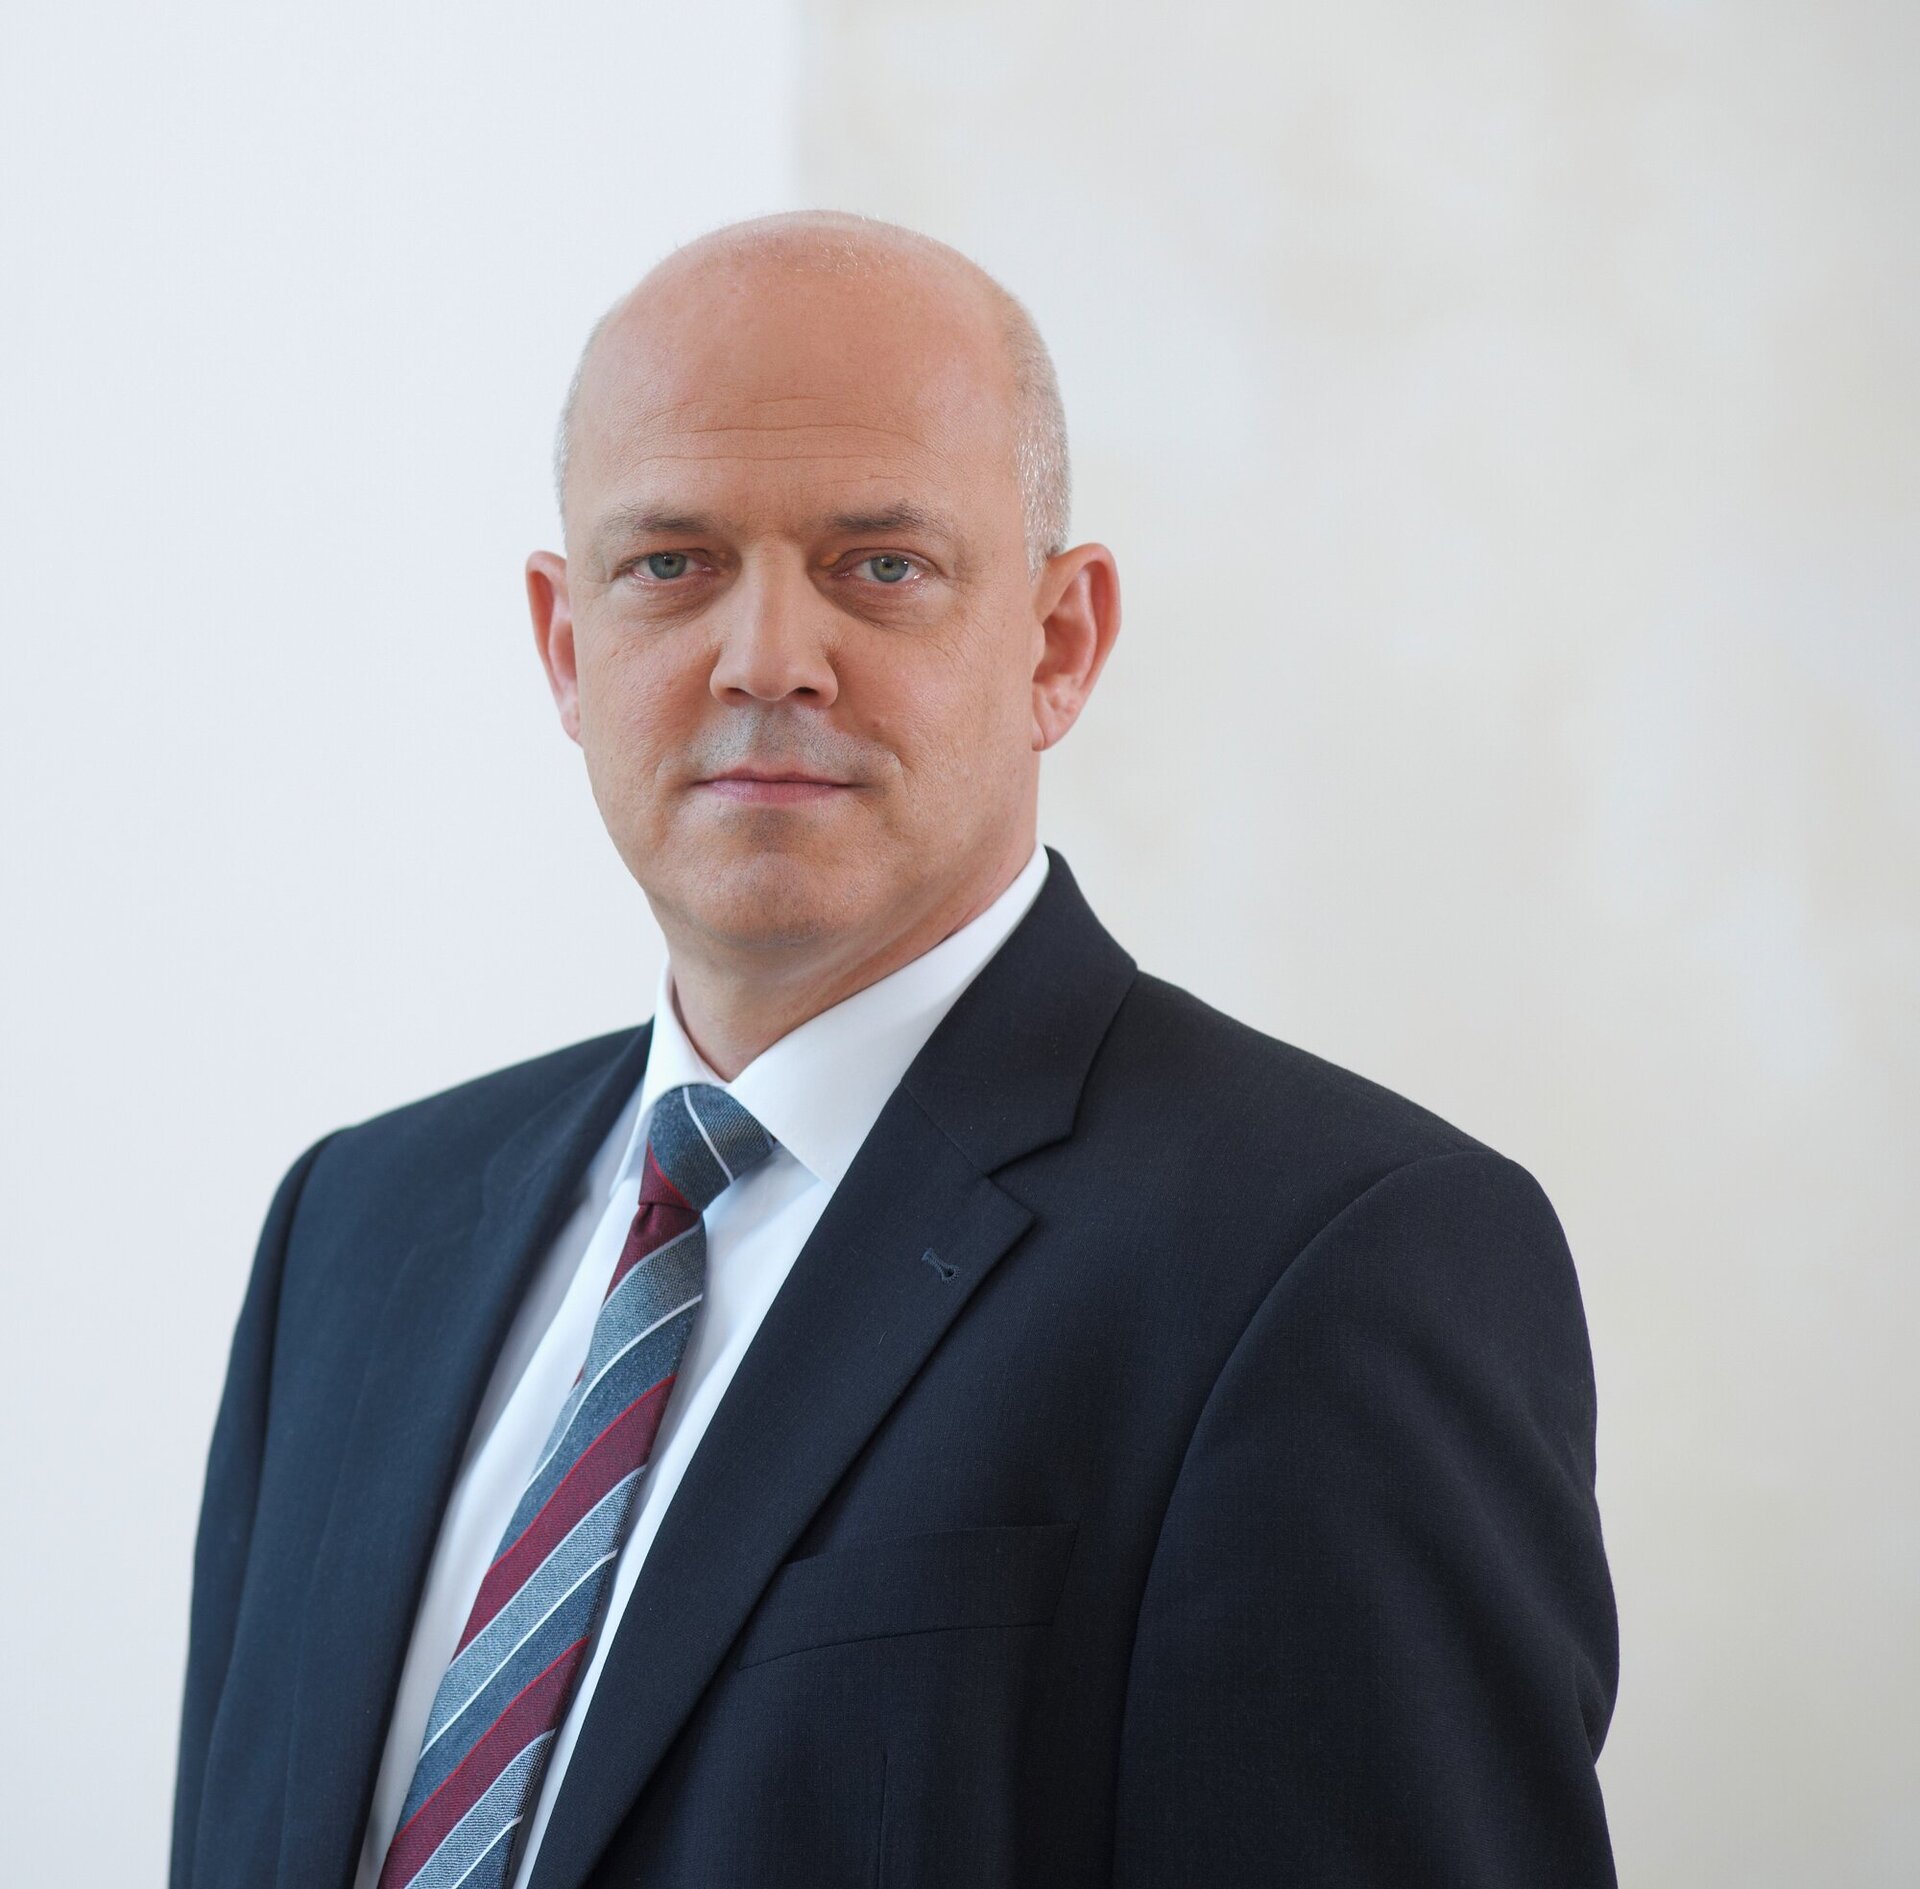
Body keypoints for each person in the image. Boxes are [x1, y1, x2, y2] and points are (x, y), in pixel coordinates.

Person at [171, 211, 1618, 1889]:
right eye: (672, 563)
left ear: (1059, 643)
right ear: (568, 647)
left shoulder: (1333, 1265)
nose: (768, 658)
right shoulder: (354, 1231)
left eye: (881, 566)